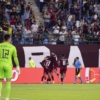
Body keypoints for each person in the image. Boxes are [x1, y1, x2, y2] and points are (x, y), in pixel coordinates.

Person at [0, 34, 20, 100]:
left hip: (0, 64)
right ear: (9, 39)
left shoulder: (0, 46)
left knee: (0, 81)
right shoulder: (12, 47)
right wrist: (17, 66)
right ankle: (7, 98)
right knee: (8, 81)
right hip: (8, 65)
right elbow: (15, 58)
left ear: (4, 39)